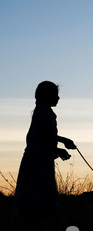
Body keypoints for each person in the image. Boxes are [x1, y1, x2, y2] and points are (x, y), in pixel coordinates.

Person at [14, 81, 77, 222]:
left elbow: (41, 138)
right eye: (55, 95)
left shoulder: (41, 111)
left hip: (36, 159)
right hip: (38, 161)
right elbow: (44, 135)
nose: (58, 98)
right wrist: (64, 141)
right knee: (41, 193)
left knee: (31, 193)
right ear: (47, 96)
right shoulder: (44, 111)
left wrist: (58, 150)